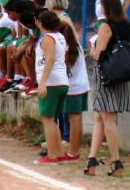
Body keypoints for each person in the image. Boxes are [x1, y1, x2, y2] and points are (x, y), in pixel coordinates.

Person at [86, 0, 130, 178]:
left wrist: (91, 49)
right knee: (100, 116)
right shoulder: (127, 25)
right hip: (121, 72)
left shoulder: (106, 26)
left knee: (108, 118)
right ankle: (91, 159)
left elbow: (98, 54)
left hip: (106, 74)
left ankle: (116, 161)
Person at [36, 10, 73, 164]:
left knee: (47, 119)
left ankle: (52, 155)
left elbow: (50, 59)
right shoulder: (60, 37)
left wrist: (43, 82)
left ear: (40, 23)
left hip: (52, 82)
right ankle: (58, 153)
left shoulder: (48, 38)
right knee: (53, 120)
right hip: (61, 81)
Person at [62, 22, 90, 161]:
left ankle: (73, 152)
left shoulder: (65, 48)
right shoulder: (76, 45)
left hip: (73, 87)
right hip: (82, 86)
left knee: (74, 119)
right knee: (77, 118)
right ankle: (75, 150)